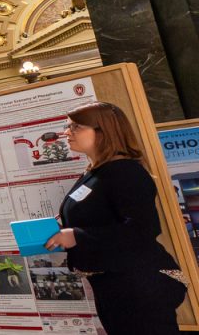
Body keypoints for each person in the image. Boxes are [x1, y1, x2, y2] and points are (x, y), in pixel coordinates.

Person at [45, 102, 186, 334]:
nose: (66, 132)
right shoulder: (96, 172)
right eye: (67, 126)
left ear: (104, 130)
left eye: (76, 126)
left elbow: (143, 229)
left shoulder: (125, 171)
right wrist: (62, 233)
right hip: (114, 284)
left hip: (140, 285)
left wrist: (77, 236)